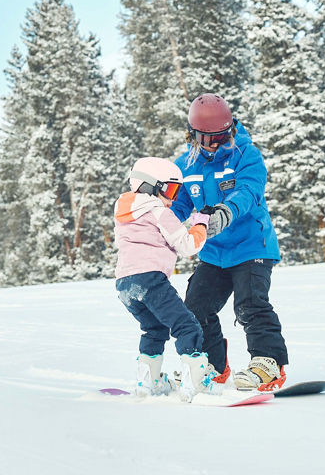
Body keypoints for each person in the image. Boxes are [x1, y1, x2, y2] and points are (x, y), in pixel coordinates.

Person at [170, 93, 289, 392]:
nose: (216, 143)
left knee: (249, 303)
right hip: (214, 251)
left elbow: (249, 192)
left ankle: (267, 363)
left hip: (252, 245)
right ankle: (212, 363)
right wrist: (158, 228)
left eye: (223, 135)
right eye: (208, 138)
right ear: (193, 135)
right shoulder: (185, 164)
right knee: (196, 307)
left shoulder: (246, 154)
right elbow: (178, 205)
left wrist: (225, 212)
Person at [114, 156, 223, 400]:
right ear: (151, 186)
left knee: (154, 329)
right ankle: (197, 381)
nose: (172, 198)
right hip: (151, 280)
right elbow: (188, 245)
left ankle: (147, 382)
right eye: (170, 189)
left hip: (124, 284)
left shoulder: (124, 210)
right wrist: (201, 223)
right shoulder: (158, 211)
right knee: (187, 325)